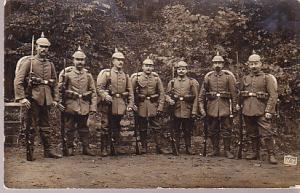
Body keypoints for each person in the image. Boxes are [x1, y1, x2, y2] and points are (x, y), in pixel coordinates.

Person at [14, 32, 61, 161]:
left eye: (46, 47)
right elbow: (18, 81)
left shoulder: (50, 64)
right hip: (33, 99)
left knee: (46, 126)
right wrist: (22, 98)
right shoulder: (30, 62)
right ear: (36, 47)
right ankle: (30, 153)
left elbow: (55, 83)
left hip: (47, 99)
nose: (44, 49)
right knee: (31, 126)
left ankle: (48, 151)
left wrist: (55, 99)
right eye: (41, 46)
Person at [58, 46, 97, 156]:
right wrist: (61, 84)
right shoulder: (68, 74)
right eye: (78, 59)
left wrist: (93, 107)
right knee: (69, 128)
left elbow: (93, 92)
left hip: (84, 105)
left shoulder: (88, 75)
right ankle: (69, 147)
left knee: (84, 128)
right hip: (71, 106)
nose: (80, 62)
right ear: (73, 60)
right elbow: (60, 90)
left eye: (82, 60)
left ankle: (86, 147)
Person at [240, 51, 278, 164]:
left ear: (260, 64)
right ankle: (254, 152)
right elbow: (241, 93)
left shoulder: (267, 78)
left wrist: (269, 110)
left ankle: (271, 154)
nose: (253, 66)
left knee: (266, 133)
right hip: (247, 109)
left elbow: (273, 95)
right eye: (251, 64)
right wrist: (239, 105)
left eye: (256, 63)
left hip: (262, 110)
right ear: (248, 65)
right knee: (251, 133)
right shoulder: (245, 78)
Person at [198, 52, 238, 159]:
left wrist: (234, 108)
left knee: (226, 129)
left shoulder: (228, 77)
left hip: (225, 107)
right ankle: (215, 149)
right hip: (212, 107)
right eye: (215, 63)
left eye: (219, 63)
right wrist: (202, 108)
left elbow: (234, 94)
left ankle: (227, 150)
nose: (217, 65)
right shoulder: (208, 77)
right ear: (212, 64)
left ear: (223, 64)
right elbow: (202, 95)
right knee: (212, 130)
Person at [97, 49, 134, 156]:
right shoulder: (106, 73)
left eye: (122, 60)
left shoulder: (126, 76)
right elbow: (99, 88)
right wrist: (105, 95)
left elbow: (130, 92)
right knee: (105, 126)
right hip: (107, 104)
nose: (120, 62)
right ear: (113, 61)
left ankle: (115, 147)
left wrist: (130, 104)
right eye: (118, 60)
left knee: (117, 126)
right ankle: (104, 148)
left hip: (120, 104)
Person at [131, 57, 168, 154]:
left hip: (153, 105)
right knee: (142, 127)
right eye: (146, 66)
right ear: (142, 67)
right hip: (141, 105)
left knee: (157, 126)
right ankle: (143, 147)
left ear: (153, 68)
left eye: (150, 66)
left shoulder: (156, 78)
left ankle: (159, 147)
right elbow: (131, 92)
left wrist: (160, 106)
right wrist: (132, 104)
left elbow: (162, 93)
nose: (148, 68)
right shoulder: (137, 77)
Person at [165, 61, 199, 155]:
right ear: (176, 70)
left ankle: (188, 147)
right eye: (179, 69)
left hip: (187, 109)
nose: (181, 71)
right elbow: (167, 94)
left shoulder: (191, 82)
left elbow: (196, 97)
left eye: (183, 69)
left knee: (187, 129)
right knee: (176, 129)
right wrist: (169, 100)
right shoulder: (172, 82)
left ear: (186, 70)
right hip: (175, 109)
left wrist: (194, 111)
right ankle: (176, 147)